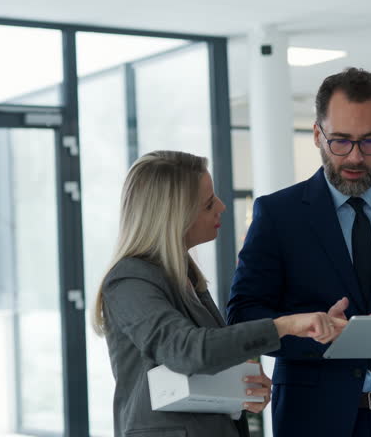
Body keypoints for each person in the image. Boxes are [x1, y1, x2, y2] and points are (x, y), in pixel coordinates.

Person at [226, 67, 371, 437]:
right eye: (340, 141)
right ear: (317, 135)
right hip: (313, 420)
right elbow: (244, 315)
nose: (355, 157)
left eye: (370, 141)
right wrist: (312, 329)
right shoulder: (278, 215)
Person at [93, 151, 347, 437]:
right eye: (208, 204)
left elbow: (202, 364)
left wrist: (241, 387)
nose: (222, 207)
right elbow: (187, 351)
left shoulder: (187, 279)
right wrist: (287, 325)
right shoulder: (130, 280)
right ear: (175, 215)